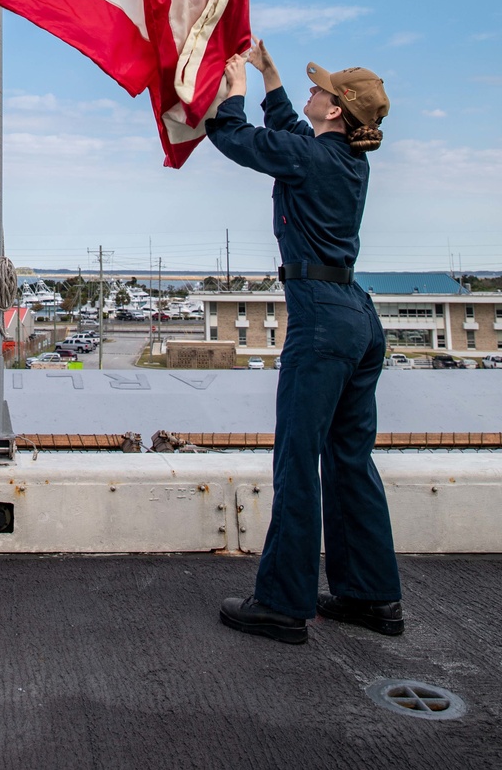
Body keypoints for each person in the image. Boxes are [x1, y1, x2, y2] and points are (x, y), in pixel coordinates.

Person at [204, 40, 402, 646]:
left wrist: (233, 86)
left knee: (297, 457)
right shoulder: (344, 160)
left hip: (320, 319)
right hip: (358, 318)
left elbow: (232, 136)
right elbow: (291, 127)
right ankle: (371, 596)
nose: (312, 94)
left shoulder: (311, 159)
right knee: (349, 459)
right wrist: (272, 77)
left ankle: (283, 604)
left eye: (322, 90)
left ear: (337, 111)